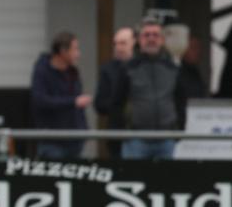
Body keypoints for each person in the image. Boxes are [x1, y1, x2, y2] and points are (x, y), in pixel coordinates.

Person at [114, 17, 186, 160]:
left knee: (165, 180)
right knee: (134, 178)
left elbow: (180, 101)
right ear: (139, 40)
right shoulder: (128, 68)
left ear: (162, 40)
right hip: (136, 138)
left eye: (155, 35)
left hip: (166, 138)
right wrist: (120, 134)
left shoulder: (173, 68)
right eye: (146, 35)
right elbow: (117, 102)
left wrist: (179, 131)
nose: (151, 39)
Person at [30, 32, 89, 159]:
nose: (78, 54)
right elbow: (40, 100)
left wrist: (84, 129)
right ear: (63, 51)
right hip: (52, 140)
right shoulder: (42, 70)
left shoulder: (73, 71)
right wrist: (73, 102)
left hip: (75, 139)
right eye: (75, 49)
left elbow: (78, 105)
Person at [94, 27, 134, 159]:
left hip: (141, 133)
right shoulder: (108, 69)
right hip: (117, 133)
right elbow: (99, 104)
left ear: (134, 42)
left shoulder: (142, 67)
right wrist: (118, 104)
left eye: (123, 43)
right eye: (115, 43)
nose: (118, 47)